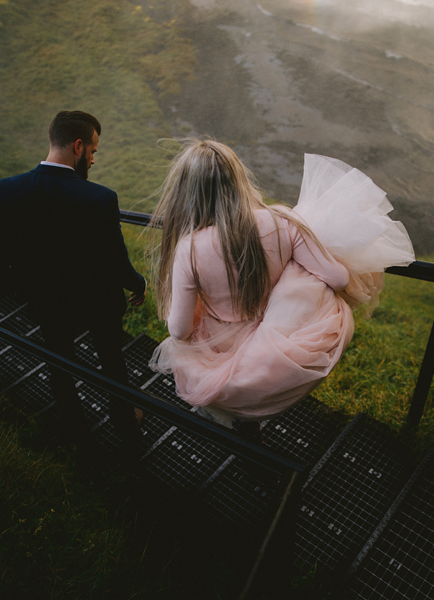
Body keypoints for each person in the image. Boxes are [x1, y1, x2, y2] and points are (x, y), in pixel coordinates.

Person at [148, 140, 415, 434]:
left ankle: (248, 444)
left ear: (187, 191)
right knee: (254, 404)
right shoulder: (280, 221)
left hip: (220, 353)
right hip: (276, 339)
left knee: (235, 405)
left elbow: (179, 331)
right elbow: (338, 279)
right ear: (238, 178)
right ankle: (254, 440)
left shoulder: (189, 249)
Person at [0, 110, 147, 453]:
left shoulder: (8, 190)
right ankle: (126, 427)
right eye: (93, 151)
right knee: (112, 363)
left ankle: (76, 431)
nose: (92, 160)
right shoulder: (100, 198)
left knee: (59, 362)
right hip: (96, 304)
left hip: (45, 301)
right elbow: (116, 260)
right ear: (78, 146)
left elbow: (7, 250)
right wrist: (138, 284)